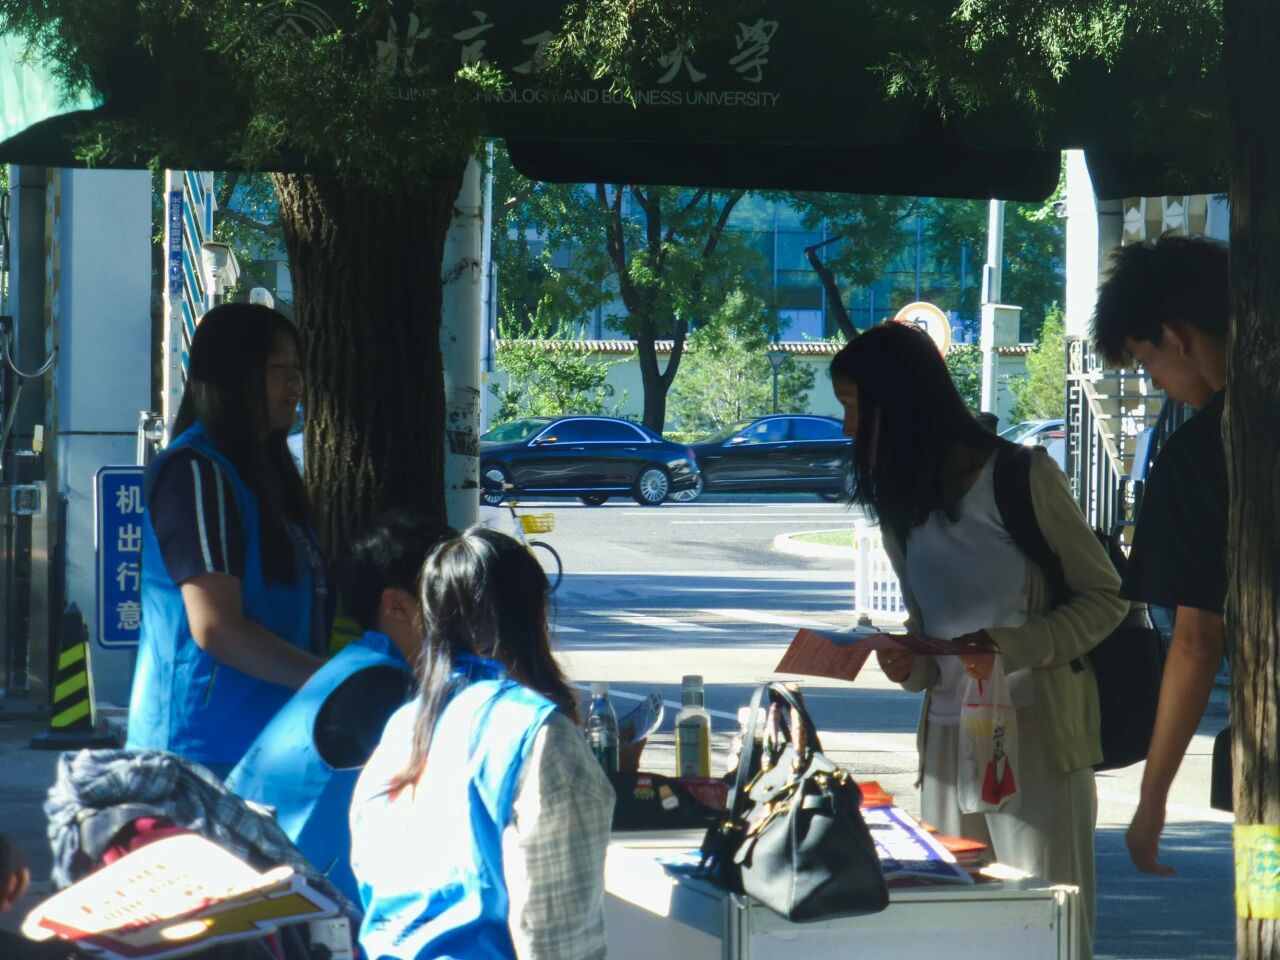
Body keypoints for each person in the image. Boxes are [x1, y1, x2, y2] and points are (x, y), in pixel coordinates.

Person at [832, 322, 1126, 959]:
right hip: (945, 745)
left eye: (854, 406)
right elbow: (928, 627)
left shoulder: (1021, 476)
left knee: (1045, 926)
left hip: (1036, 738)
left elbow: (1107, 597)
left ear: (899, 400)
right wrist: (908, 661)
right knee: (953, 932)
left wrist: (1012, 644)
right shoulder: (900, 501)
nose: (848, 428)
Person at [349, 527, 614, 960]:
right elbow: (558, 944)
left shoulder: (403, 727)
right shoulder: (539, 734)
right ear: (538, 613)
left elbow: (369, 874)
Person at [127, 303, 327, 776]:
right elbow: (215, 626)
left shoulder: (269, 475)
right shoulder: (195, 472)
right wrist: (328, 680)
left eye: (298, 369)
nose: (296, 384)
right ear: (236, 375)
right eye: (281, 368)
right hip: (197, 753)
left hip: (269, 742)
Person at [225, 511, 456, 906]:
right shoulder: (383, 689)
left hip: (266, 889)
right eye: (451, 590)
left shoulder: (358, 665)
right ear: (396, 605)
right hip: (295, 911)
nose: (469, 606)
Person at [1091, 235, 1229, 876]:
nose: (1160, 387)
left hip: (1271, 768)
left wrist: (1152, 798)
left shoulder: (1200, 455)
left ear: (1175, 337)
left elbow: (1196, 642)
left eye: (1147, 363)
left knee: (1268, 909)